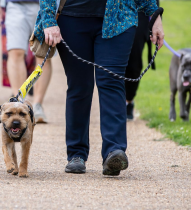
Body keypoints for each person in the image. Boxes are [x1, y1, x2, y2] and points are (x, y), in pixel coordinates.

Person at [35, 0, 164, 175]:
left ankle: (114, 151)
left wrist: (154, 15)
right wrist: (48, 20)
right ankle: (76, 154)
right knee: (79, 85)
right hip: (72, 17)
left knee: (111, 82)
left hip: (119, 18)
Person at [0, 0, 53, 123]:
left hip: (45, 6)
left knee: (42, 55)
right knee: (15, 52)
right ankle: (19, 104)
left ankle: (37, 105)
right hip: (15, 5)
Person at [125, 0, 160, 120]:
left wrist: (156, 19)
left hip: (140, 8)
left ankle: (129, 100)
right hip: (109, 8)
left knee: (134, 62)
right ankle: (115, 103)